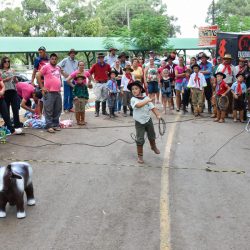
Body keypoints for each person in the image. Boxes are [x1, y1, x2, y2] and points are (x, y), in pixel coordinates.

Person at [129, 81, 161, 164]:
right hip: (139, 122)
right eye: (132, 89)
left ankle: (153, 146)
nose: (134, 90)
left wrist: (158, 115)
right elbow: (138, 105)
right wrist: (148, 100)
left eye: (136, 88)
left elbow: (152, 108)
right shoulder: (133, 99)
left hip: (148, 120)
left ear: (140, 89)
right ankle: (140, 156)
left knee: (152, 134)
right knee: (140, 139)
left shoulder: (146, 98)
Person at [37, 53, 62, 133]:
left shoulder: (58, 68)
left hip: (57, 92)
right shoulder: (46, 66)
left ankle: (55, 125)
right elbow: (38, 75)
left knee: (57, 109)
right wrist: (42, 87)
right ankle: (49, 126)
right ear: (50, 59)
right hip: (49, 92)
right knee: (49, 109)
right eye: (52, 59)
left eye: (55, 59)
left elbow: (58, 77)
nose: (54, 60)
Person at [0, 56, 22, 128]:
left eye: (8, 61)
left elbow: (16, 82)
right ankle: (8, 125)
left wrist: (15, 78)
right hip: (5, 92)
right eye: (5, 61)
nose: (7, 63)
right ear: (2, 62)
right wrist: (6, 79)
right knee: (6, 110)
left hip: (13, 91)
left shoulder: (12, 70)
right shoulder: (0, 71)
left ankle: (17, 124)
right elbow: (0, 81)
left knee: (15, 108)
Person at [89, 53, 111, 117]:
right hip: (98, 83)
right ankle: (97, 111)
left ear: (103, 58)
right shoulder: (95, 65)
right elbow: (89, 73)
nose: (101, 58)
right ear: (98, 58)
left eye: (102, 57)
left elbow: (110, 73)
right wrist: (93, 80)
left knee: (105, 97)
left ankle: (104, 111)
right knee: (98, 97)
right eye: (99, 57)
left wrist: (108, 79)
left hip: (105, 82)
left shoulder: (107, 65)